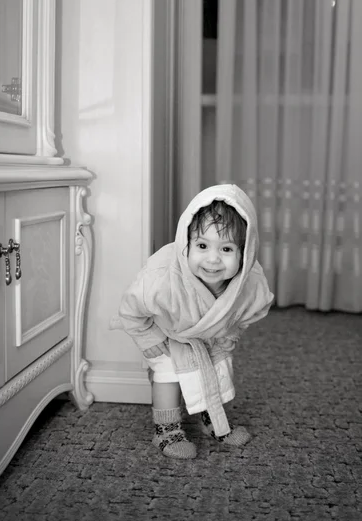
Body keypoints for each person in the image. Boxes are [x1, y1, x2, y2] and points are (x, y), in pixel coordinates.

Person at [110, 184, 274, 459]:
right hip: (167, 333)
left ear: (245, 253)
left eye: (226, 248)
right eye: (201, 245)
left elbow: (251, 312)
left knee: (219, 369)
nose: (212, 259)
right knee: (168, 374)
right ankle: (166, 429)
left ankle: (213, 417)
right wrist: (148, 337)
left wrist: (230, 334)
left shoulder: (250, 282)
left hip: (212, 335)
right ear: (186, 243)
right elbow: (131, 308)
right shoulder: (162, 278)